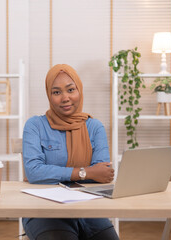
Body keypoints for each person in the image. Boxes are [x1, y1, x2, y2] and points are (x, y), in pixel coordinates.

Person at [22, 64, 119, 240]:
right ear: (49, 96)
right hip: (44, 209)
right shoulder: (35, 125)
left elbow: (103, 174)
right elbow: (34, 172)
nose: (65, 98)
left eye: (70, 90)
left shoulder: (94, 127)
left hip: (88, 210)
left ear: (79, 91)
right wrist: (85, 172)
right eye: (56, 92)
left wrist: (51, 173)